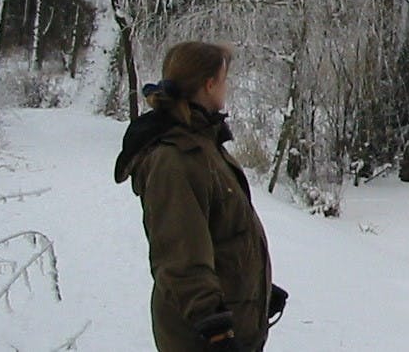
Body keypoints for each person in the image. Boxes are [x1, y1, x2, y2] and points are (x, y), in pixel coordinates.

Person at [114, 41, 287, 351]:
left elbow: (224, 232)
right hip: (200, 337)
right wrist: (215, 330)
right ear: (209, 85)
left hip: (232, 319)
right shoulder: (176, 159)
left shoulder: (205, 144)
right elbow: (181, 258)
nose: (227, 86)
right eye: (224, 79)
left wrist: (256, 290)